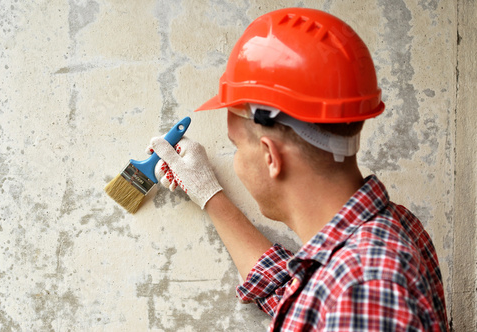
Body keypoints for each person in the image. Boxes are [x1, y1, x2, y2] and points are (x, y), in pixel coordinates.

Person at [148, 8, 449, 331]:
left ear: (270, 156)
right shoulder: (393, 230)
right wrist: (209, 193)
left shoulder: (362, 291)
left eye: (236, 146)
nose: (235, 158)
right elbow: (297, 294)